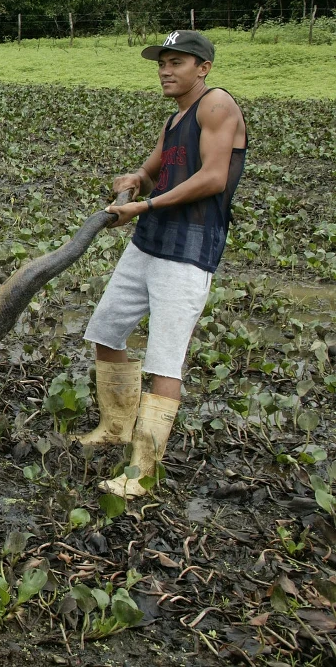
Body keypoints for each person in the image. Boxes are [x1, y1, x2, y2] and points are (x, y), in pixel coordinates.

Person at [78, 30, 246, 499]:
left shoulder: (216, 107)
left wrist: (144, 207)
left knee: (164, 360)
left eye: (177, 63)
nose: (166, 71)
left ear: (203, 68)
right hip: (149, 244)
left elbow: (213, 178)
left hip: (188, 250)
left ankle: (143, 470)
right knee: (106, 332)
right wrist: (135, 180)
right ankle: (115, 427)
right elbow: (152, 173)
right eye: (161, 63)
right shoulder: (175, 120)